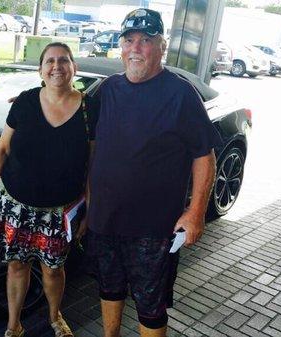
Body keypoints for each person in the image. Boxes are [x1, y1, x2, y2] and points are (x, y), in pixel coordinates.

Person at [77, 8, 222, 337]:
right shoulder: (108, 89)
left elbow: (205, 155)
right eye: (129, 40)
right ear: (121, 46)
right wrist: (36, 102)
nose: (135, 48)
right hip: (105, 220)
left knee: (151, 305)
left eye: (146, 40)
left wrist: (196, 211)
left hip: (153, 230)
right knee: (109, 288)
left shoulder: (180, 94)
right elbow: (75, 118)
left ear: (162, 47)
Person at [0, 42, 93, 337]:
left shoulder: (90, 108)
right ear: (40, 70)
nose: (57, 66)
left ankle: (54, 316)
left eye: (64, 60)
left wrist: (90, 208)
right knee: (16, 265)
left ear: (74, 67)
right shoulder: (25, 102)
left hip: (58, 211)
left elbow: (93, 163)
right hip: (16, 205)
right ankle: (14, 324)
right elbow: (1, 149)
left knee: (53, 269)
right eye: (50, 61)